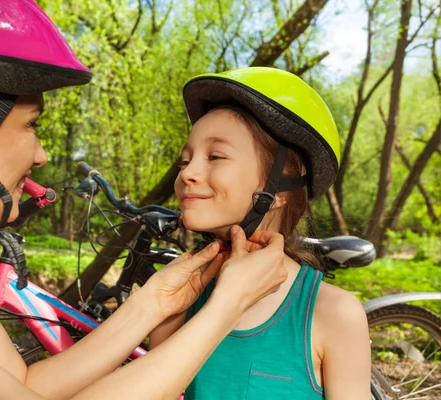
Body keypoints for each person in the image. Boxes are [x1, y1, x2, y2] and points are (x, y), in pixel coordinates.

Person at [0, 2, 288, 399]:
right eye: (32, 125)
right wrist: (226, 306)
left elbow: (22, 385)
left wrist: (152, 304)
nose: (42, 155)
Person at [149, 67, 371, 399]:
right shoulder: (180, 296)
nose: (188, 173)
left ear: (278, 190)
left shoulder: (333, 313)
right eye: (185, 160)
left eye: (216, 156)